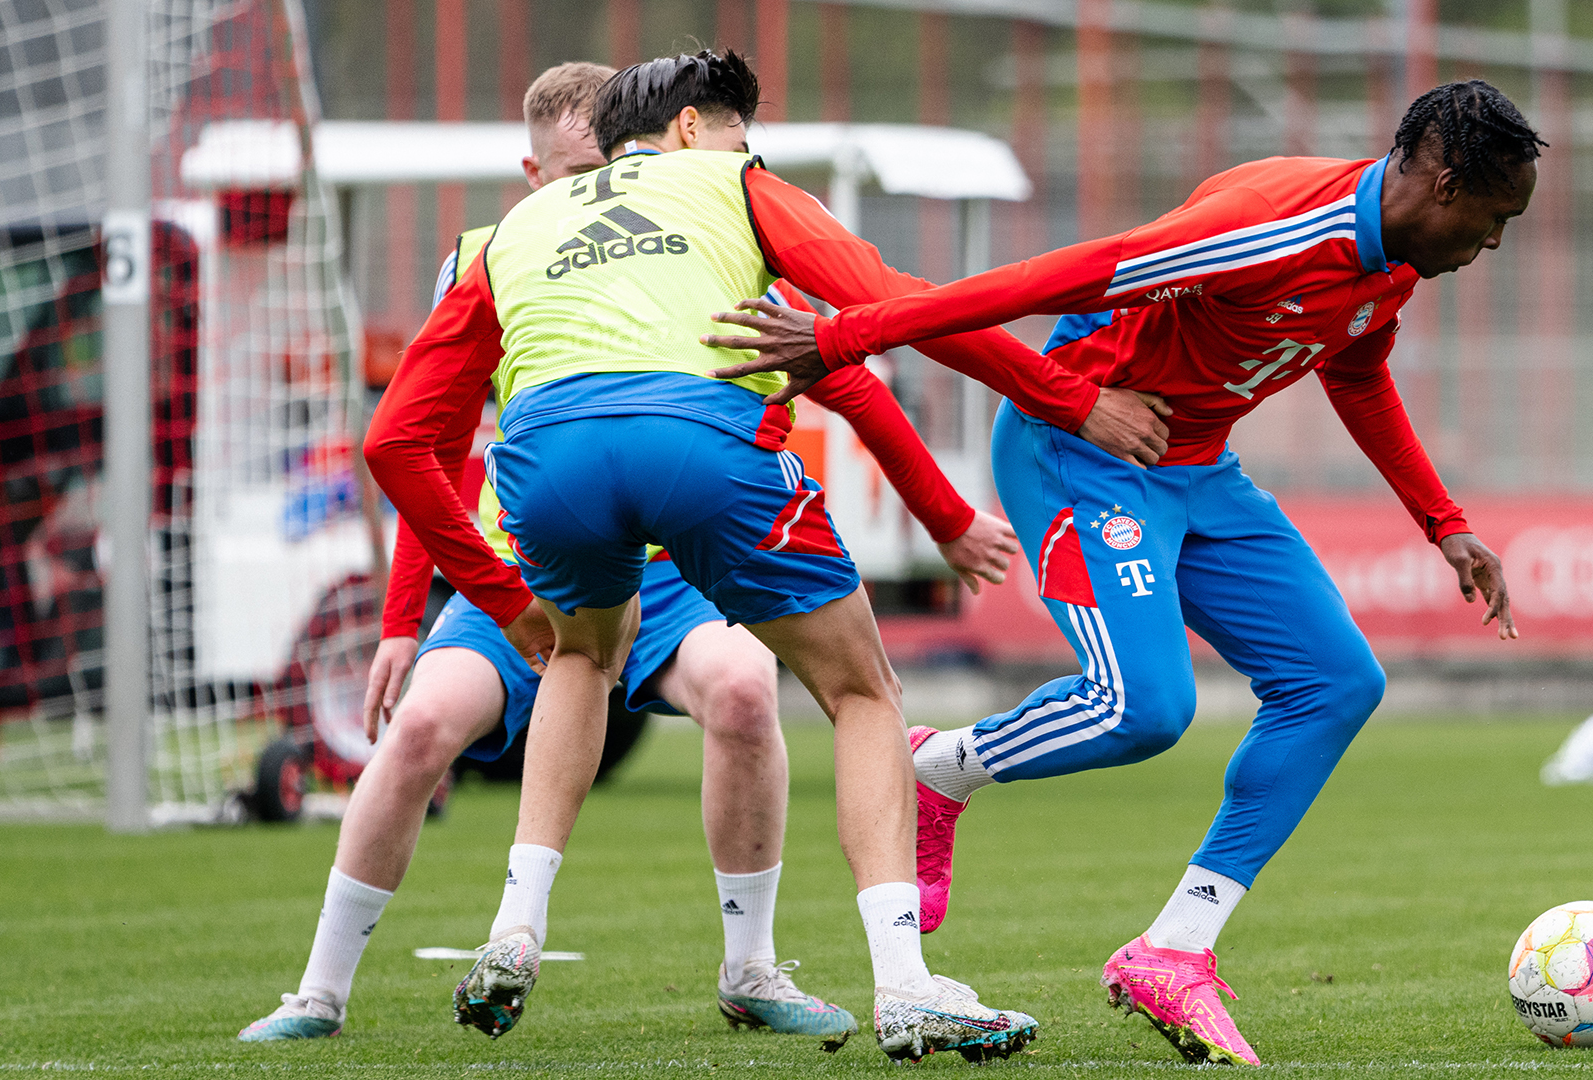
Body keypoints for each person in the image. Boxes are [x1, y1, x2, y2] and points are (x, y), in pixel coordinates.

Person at [704, 79, 1542, 1066]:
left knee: (1335, 685)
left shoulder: (1394, 266)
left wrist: (1442, 521)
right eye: (1493, 220)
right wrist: (847, 334)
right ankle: (940, 768)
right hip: (1084, 450)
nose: (1490, 246)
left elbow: (1354, 367)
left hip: (1193, 468)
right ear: (1442, 183)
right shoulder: (1265, 228)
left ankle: (1174, 951)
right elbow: (1055, 278)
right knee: (1143, 709)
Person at [363, 49, 1167, 1062]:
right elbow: (891, 301)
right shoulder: (730, 184)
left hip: (544, 459)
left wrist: (490, 592)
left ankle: (516, 926)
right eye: (741, 128)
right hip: (700, 444)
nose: (755, 147)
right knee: (863, 690)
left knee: (577, 654)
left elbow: (396, 444)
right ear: (695, 127)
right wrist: (1069, 399)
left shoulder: (510, 230)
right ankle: (906, 985)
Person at [238, 63, 1019, 1047]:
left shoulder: (652, 223)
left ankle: (746, 968)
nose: (595, 183)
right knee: (423, 723)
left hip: (638, 549)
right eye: (570, 169)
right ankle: (323, 991)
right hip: (527, 555)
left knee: (740, 688)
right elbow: (426, 448)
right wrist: (408, 617)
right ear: (536, 170)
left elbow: (842, 378)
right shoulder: (526, 242)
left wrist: (942, 512)